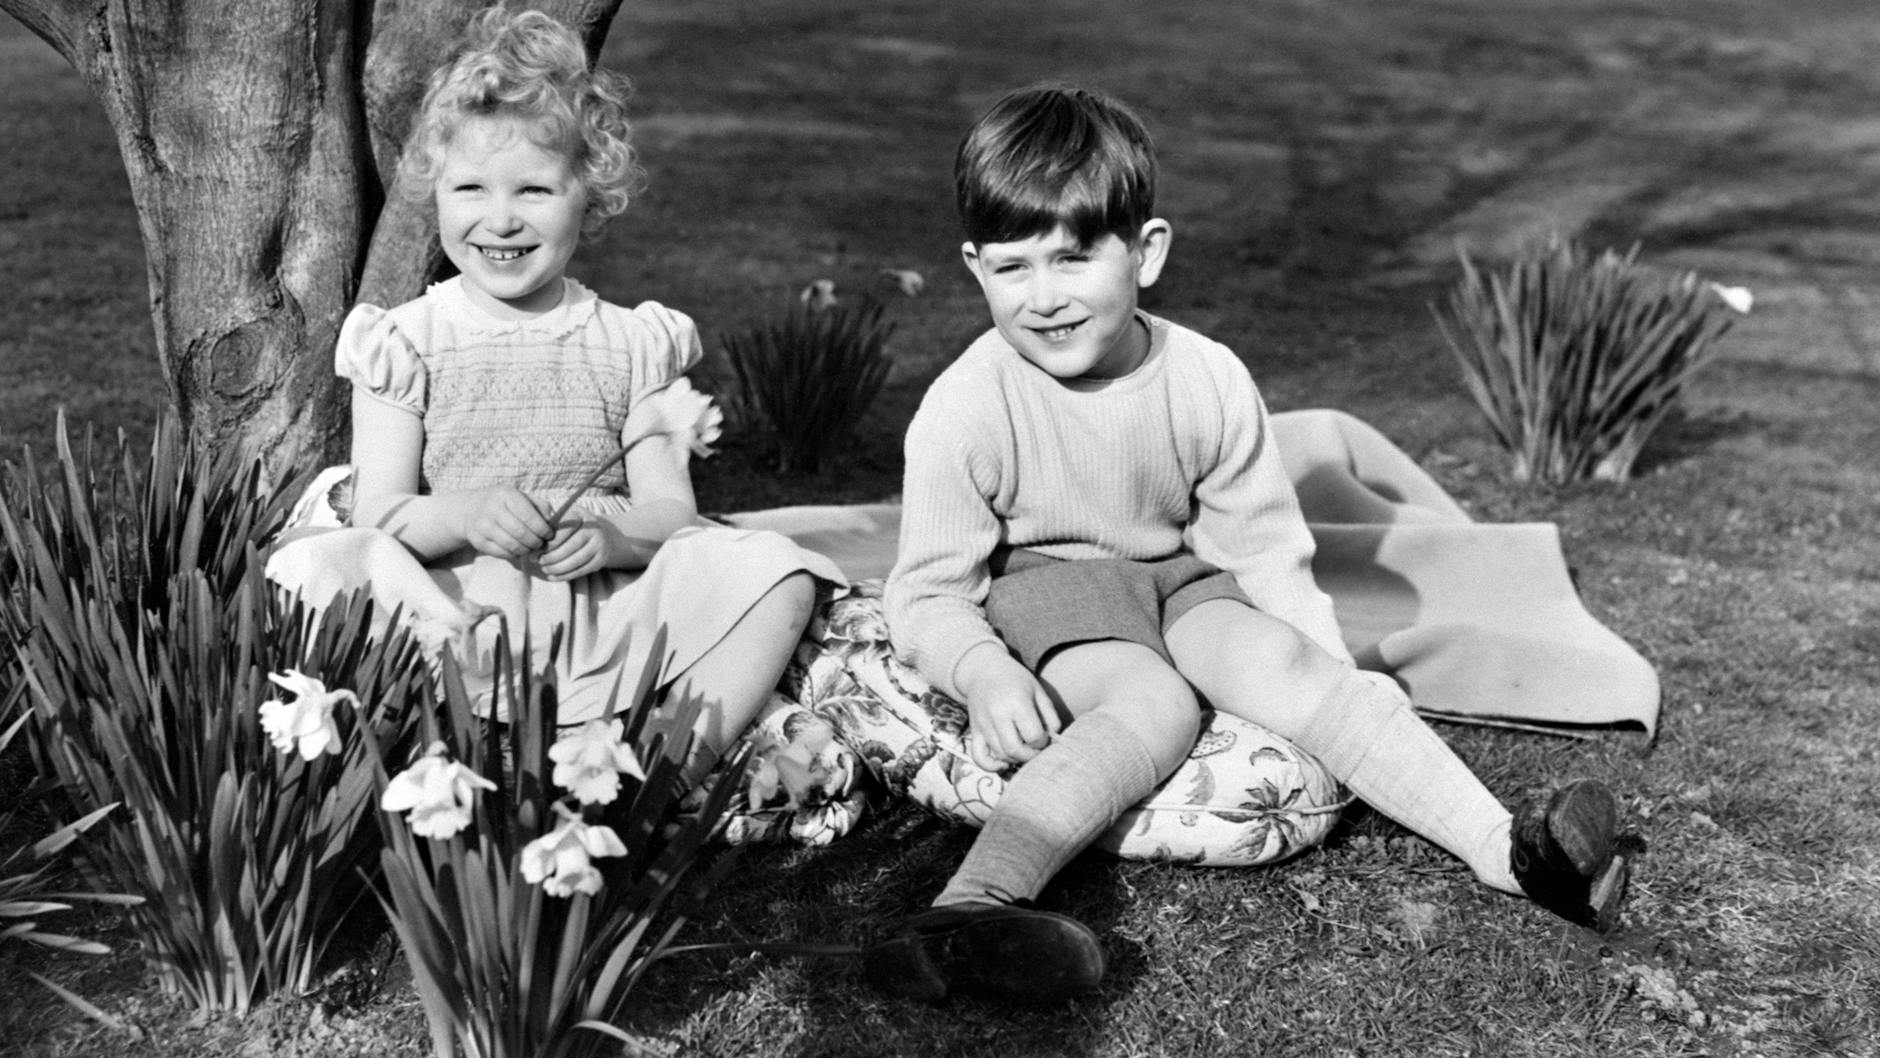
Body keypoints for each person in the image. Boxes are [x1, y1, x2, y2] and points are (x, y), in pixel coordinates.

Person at [874, 84, 1638, 1004]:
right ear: (973, 267)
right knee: (1150, 708)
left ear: (1146, 253)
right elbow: (925, 593)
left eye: (1073, 258)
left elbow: (1268, 547)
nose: (1043, 298)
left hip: (1181, 579)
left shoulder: (1206, 378)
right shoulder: (968, 405)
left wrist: (1328, 670)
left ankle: (1511, 853)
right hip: (1053, 588)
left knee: (1291, 664)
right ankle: (968, 911)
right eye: (1012, 267)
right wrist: (983, 674)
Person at [335, 7, 842, 772]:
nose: (499, 219)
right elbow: (378, 517)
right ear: (435, 191)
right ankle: (449, 756)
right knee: (317, 571)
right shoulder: (404, 341)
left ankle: (658, 774)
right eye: (470, 187)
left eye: (534, 190)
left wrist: (615, 537)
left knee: (777, 572)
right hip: (465, 610)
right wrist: (463, 513)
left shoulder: (636, 344)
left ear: (590, 192)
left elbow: (672, 511)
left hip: (602, 607)